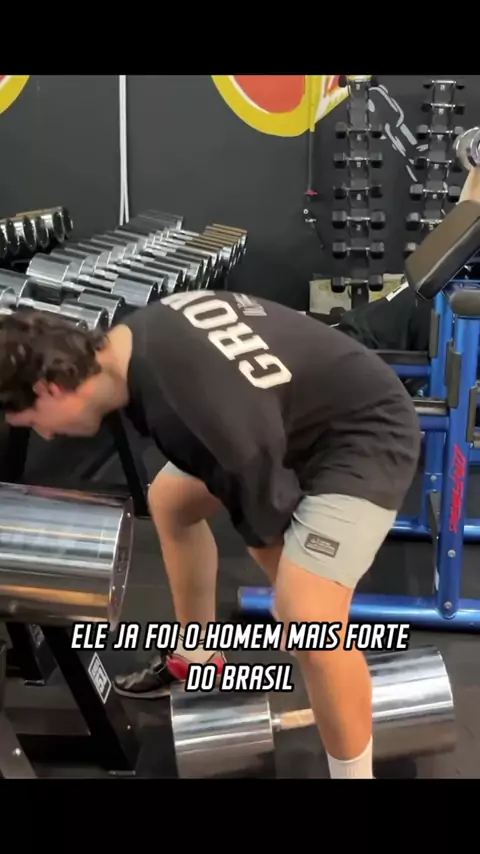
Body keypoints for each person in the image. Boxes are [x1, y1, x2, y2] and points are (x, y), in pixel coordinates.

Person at [0, 288, 419, 779]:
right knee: (170, 500)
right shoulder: (132, 342)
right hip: (289, 418)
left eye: (34, 421)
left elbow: (265, 508)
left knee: (310, 621)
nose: (46, 435)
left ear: (50, 388)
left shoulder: (189, 409)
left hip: (363, 436)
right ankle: (197, 657)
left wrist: (297, 609)